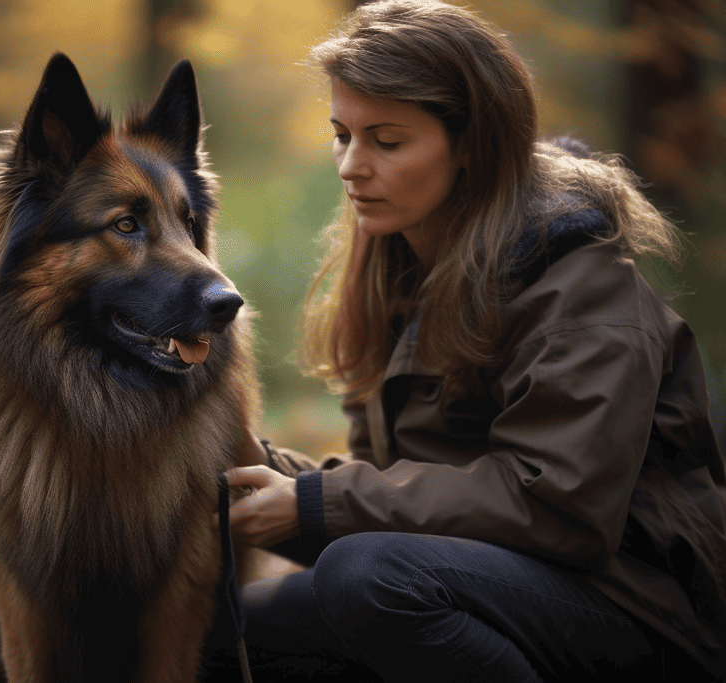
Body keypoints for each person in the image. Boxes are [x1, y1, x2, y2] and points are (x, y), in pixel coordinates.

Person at [209, 1, 726, 681]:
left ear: (471, 146)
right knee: (229, 636)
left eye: (386, 141)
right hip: (481, 586)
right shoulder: (401, 270)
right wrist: (267, 470)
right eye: (342, 134)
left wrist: (313, 506)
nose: (350, 165)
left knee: (368, 577)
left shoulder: (581, 283)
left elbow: (556, 506)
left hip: (635, 610)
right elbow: (403, 488)